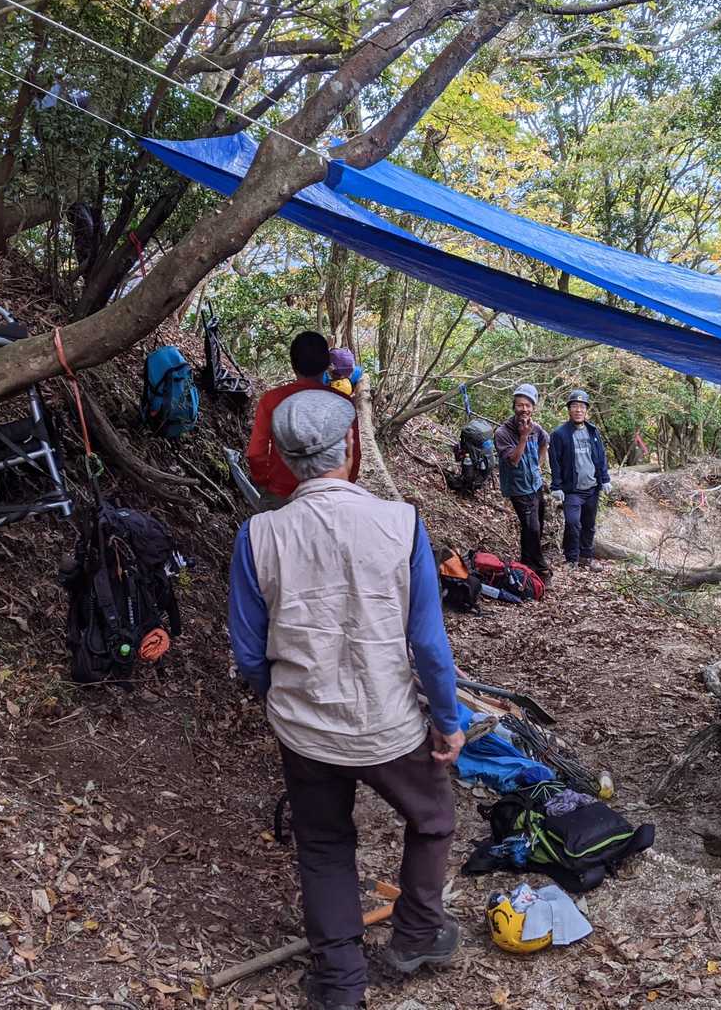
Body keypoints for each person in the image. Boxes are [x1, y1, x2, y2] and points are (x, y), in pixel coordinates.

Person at [230, 390, 465, 1010]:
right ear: (351, 445)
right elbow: (428, 643)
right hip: (389, 722)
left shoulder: (259, 535)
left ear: (284, 458)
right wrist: (448, 720)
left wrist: (282, 700)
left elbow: (250, 653)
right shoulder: (401, 523)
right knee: (433, 819)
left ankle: (339, 982)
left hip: (304, 727)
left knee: (325, 844)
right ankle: (417, 933)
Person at [247, 331, 361, 508]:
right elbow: (353, 454)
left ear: (293, 364)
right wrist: (343, 486)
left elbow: (256, 453)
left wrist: (266, 483)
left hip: (282, 495)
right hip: (329, 497)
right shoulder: (343, 402)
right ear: (327, 365)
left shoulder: (272, 399)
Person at [494, 383, 552, 580]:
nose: (524, 409)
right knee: (532, 528)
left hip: (535, 485)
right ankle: (542, 569)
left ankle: (526, 564)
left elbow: (545, 442)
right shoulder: (503, 433)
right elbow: (513, 460)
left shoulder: (536, 429)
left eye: (528, 405)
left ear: (533, 407)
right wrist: (523, 437)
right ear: (514, 406)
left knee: (535, 527)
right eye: (520, 405)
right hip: (518, 488)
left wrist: (538, 466)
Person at [549, 389, 612, 569]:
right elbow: (555, 462)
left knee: (589, 525)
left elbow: (600, 457)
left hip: (592, 487)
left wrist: (605, 479)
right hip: (572, 490)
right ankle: (571, 559)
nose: (578, 410)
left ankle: (586, 557)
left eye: (582, 406)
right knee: (572, 523)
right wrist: (556, 486)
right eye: (575, 406)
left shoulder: (593, 431)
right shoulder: (559, 434)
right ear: (569, 409)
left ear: (586, 410)